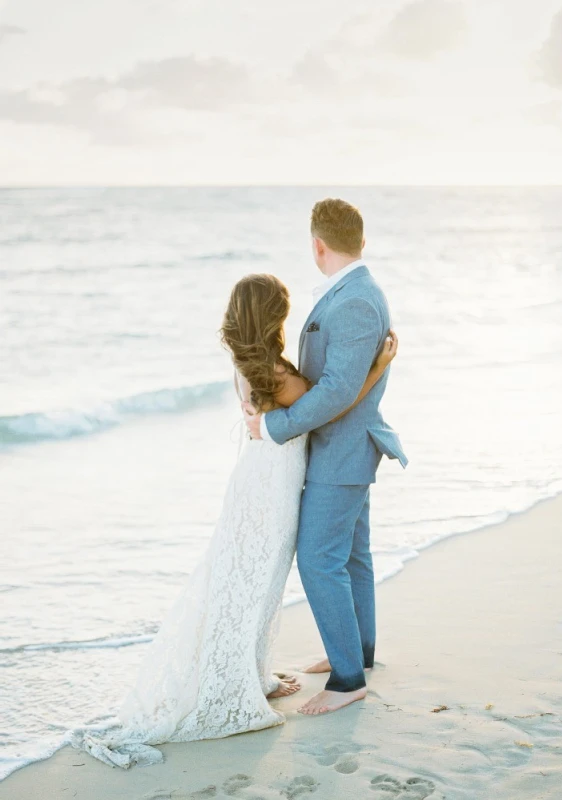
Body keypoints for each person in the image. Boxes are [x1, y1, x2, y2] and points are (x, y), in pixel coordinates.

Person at [72, 267, 397, 768]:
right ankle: (238, 681)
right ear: (273, 318)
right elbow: (328, 406)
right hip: (272, 491)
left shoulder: (250, 363)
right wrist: (377, 368)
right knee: (258, 582)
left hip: (257, 483)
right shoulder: (278, 375)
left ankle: (252, 673)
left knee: (247, 582)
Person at [243, 197, 408, 716]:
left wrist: (276, 426)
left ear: (317, 244)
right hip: (344, 448)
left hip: (343, 450)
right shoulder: (351, 292)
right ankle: (356, 653)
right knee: (351, 556)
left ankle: (348, 679)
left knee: (318, 560)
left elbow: (336, 391)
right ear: (360, 240)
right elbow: (343, 383)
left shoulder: (355, 299)